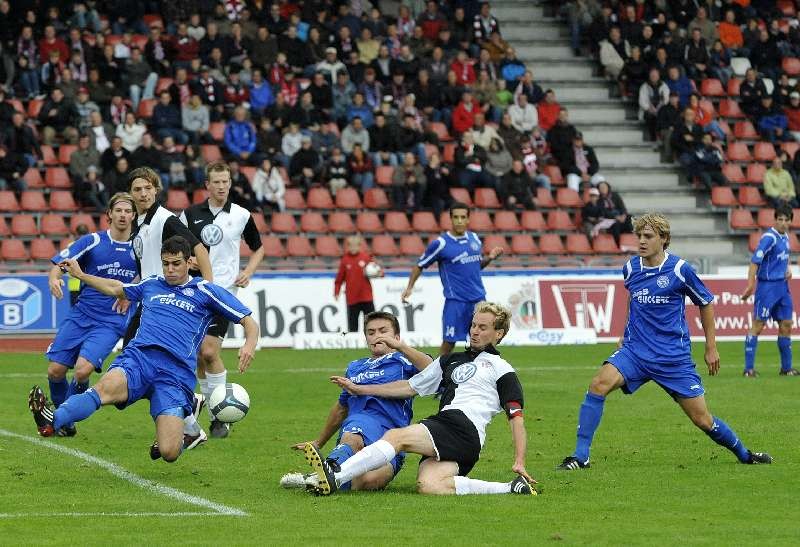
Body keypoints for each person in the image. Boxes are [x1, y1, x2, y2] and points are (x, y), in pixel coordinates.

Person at [557, 213, 772, 470]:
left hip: (672, 358)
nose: (641, 241)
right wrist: (624, 333)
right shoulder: (631, 268)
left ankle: (744, 454)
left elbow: (705, 302)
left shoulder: (680, 270)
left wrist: (711, 347)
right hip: (636, 352)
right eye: (639, 236)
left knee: (703, 419)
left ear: (664, 239)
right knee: (598, 384)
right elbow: (633, 298)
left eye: (648, 236)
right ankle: (581, 456)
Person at [29, 236, 259, 463]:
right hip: (139, 359)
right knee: (103, 389)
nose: (170, 269)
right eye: (165, 263)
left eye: (176, 263)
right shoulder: (152, 284)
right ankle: (53, 420)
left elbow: (248, 320)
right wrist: (81, 275)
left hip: (175, 374)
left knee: (169, 452)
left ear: (189, 262)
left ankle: (189, 434)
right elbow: (116, 288)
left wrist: (249, 344)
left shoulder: (205, 291)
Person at [305, 302, 537, 497]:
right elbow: (408, 387)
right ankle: (511, 488)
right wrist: (361, 389)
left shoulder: (502, 369)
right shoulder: (451, 360)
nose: (475, 331)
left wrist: (519, 461)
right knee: (430, 485)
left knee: (396, 437)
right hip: (461, 439)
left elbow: (516, 418)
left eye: (483, 327)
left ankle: (336, 476)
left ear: (499, 333)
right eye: (473, 325)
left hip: (462, 427)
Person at [282, 311, 432, 491]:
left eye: (383, 331)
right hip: (362, 421)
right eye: (371, 332)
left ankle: (315, 479)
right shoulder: (355, 367)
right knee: (354, 435)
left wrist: (401, 347)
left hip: (393, 435)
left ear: (396, 337)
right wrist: (319, 442)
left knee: (371, 481)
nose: (377, 336)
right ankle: (326, 470)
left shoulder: (403, 361)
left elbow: (432, 368)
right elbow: (341, 408)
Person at [37, 193, 137, 437]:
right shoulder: (93, 240)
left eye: (128, 211)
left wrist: (131, 292)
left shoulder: (140, 246)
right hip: (81, 314)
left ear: (134, 216)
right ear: (109, 214)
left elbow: (151, 276)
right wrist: (53, 279)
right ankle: (65, 420)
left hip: (112, 320)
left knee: (82, 370)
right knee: (55, 371)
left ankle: (63, 419)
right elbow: (61, 263)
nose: (123, 215)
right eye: (119, 210)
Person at [125, 167, 213, 446]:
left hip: (163, 304)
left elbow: (199, 249)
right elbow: (147, 265)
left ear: (156, 190)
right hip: (148, 300)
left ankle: (186, 417)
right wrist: (128, 290)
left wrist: (207, 289)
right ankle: (188, 421)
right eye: (137, 189)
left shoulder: (165, 220)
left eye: (147, 188)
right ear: (131, 193)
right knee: (139, 368)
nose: (143, 193)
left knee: (134, 366)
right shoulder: (140, 224)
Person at [179, 161, 265, 438]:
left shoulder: (241, 215)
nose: (221, 187)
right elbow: (175, 247)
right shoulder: (189, 215)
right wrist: (186, 260)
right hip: (194, 290)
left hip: (223, 292)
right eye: (216, 182)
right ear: (207, 185)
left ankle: (219, 416)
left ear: (230, 183)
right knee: (199, 356)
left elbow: (258, 248)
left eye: (225, 182)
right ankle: (213, 408)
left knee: (208, 351)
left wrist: (248, 271)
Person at [401, 202, 503, 356]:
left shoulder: (474, 239)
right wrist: (409, 287)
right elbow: (419, 265)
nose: (459, 221)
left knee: (482, 341)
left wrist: (490, 258)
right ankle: (437, 370)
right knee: (449, 342)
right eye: (456, 217)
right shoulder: (441, 244)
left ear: (468, 219)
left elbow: (476, 266)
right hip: (456, 301)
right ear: (451, 219)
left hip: (479, 300)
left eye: (463, 217)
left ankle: (482, 369)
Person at [741, 205, 799, 377]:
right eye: (780, 219)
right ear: (775, 220)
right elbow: (754, 262)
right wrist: (750, 284)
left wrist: (787, 269)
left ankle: (786, 368)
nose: (783, 222)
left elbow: (781, 258)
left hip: (783, 287)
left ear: (790, 221)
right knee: (758, 325)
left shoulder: (785, 237)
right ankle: (748, 369)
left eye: (786, 220)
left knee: (786, 324)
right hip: (767, 288)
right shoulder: (769, 238)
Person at [334, 236, 379, 333]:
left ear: (359, 246)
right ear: (348, 246)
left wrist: (378, 273)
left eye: (355, 245)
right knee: (353, 327)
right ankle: (354, 341)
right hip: (352, 299)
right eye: (350, 245)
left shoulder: (365, 257)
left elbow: (377, 270)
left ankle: (371, 341)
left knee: (371, 323)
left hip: (366, 297)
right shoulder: (345, 260)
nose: (353, 248)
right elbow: (339, 279)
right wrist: (336, 292)